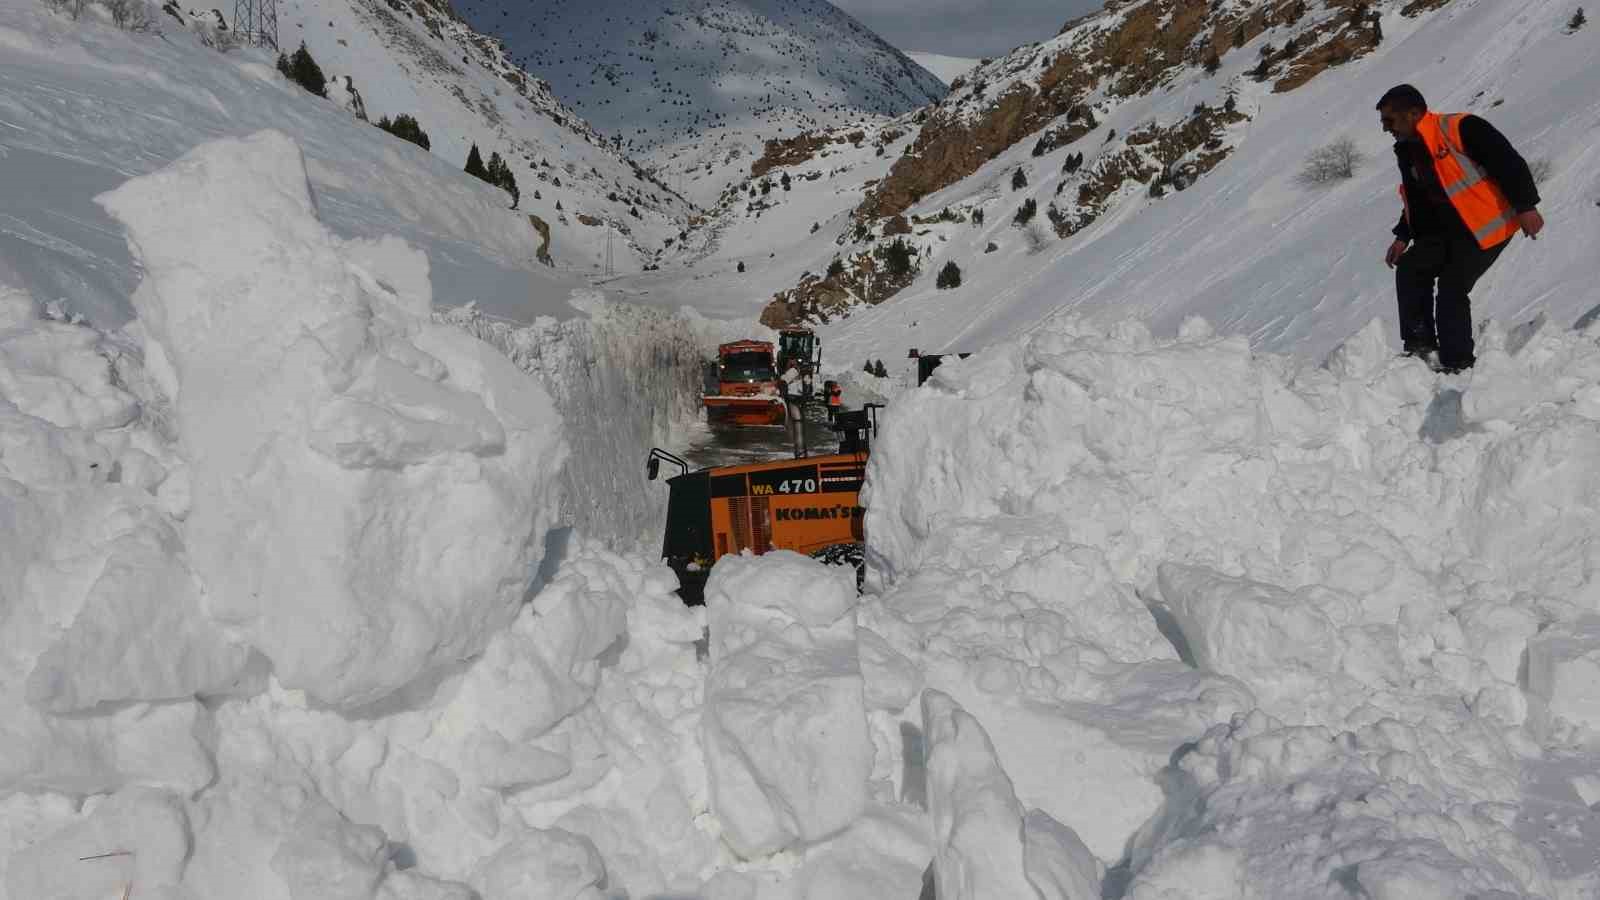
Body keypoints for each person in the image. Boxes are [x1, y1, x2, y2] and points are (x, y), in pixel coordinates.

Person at [1377, 84, 1543, 373]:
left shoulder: (1461, 127)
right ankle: (1421, 348)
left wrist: (1526, 206)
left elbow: (1508, 163)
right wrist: (1403, 236)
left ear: (1413, 113)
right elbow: (1417, 200)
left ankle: (1458, 364)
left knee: (1453, 286)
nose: (1385, 129)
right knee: (1411, 267)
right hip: (1446, 231)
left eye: (1389, 120)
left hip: (1487, 226)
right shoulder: (1407, 149)